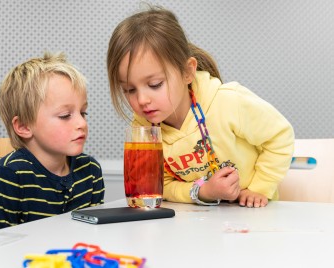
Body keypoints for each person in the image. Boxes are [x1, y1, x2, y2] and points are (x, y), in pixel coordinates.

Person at [107, 6, 294, 208]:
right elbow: (160, 186)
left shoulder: (227, 102)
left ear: (187, 72)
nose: (142, 100)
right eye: (129, 90)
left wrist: (259, 188)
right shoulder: (143, 131)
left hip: (252, 212)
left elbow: (280, 136)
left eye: (155, 85)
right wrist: (202, 192)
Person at [0, 52, 105, 232]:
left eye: (83, 113)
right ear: (23, 125)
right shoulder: (10, 175)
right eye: (65, 116)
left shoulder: (90, 171)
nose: (82, 123)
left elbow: (91, 236)